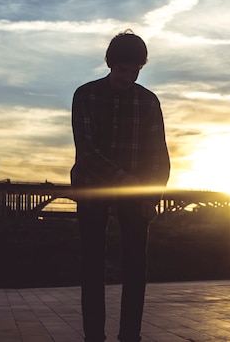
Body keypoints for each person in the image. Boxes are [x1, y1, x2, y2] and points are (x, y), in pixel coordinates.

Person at [71, 30, 170, 342]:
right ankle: (93, 336)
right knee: (92, 265)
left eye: (135, 71)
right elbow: (86, 151)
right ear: (110, 64)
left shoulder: (148, 101)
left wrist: (151, 194)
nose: (128, 77)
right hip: (92, 187)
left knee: (136, 266)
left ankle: (130, 334)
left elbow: (159, 154)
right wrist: (124, 179)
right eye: (123, 70)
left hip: (137, 191)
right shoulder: (85, 95)